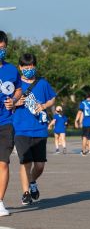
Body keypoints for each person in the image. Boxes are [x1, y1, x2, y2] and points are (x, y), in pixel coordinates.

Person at [13, 53, 56, 205]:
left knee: (39, 166)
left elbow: (52, 98)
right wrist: (15, 103)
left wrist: (43, 106)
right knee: (25, 162)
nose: (29, 69)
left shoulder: (42, 83)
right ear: (20, 67)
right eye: (25, 66)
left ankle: (32, 181)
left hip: (39, 129)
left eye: (31, 66)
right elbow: (6, 104)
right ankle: (25, 193)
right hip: (20, 130)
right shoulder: (15, 85)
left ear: (35, 67)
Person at [0, 30, 22, 216]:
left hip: (6, 122)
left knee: (3, 163)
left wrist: (13, 100)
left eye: (3, 48)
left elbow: (19, 90)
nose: (1, 51)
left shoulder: (11, 70)